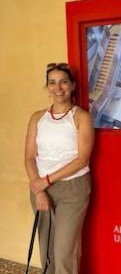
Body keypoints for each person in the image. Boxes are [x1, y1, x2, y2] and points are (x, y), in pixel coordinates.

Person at [25, 62, 94, 274]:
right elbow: (29, 157)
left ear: (72, 85)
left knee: (64, 250)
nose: (58, 87)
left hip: (73, 189)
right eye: (52, 82)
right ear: (47, 87)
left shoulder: (81, 117)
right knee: (46, 247)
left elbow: (82, 159)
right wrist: (40, 190)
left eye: (64, 82)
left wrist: (46, 181)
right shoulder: (37, 118)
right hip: (41, 190)